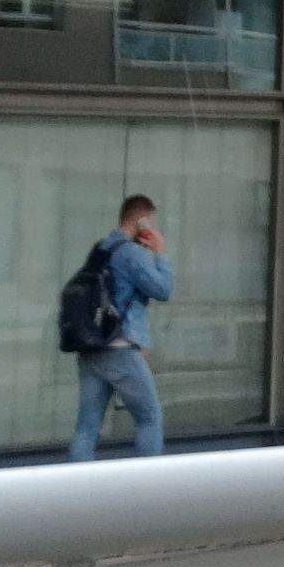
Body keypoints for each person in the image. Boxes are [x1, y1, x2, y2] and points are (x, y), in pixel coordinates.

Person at [67, 194, 175, 461]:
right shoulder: (130, 253)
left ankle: (73, 490)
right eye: (151, 223)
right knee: (150, 418)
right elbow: (162, 289)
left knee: (87, 427)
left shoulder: (101, 249)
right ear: (142, 221)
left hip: (91, 347)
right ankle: (146, 489)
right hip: (121, 348)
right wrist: (160, 253)